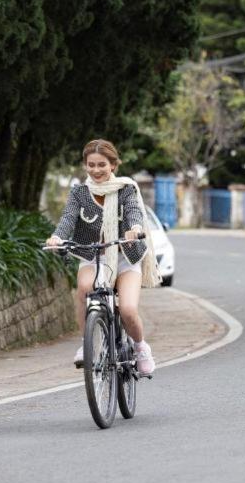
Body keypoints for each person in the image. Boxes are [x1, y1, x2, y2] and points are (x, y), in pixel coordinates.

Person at [46, 139, 161, 375]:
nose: (96, 170)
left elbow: (133, 212)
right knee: (84, 289)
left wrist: (135, 229)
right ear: (85, 165)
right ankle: (86, 344)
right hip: (93, 256)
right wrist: (57, 237)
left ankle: (140, 348)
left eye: (102, 165)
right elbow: (68, 218)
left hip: (124, 257)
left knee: (128, 309)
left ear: (113, 165)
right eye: (91, 165)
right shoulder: (79, 192)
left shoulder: (125, 189)